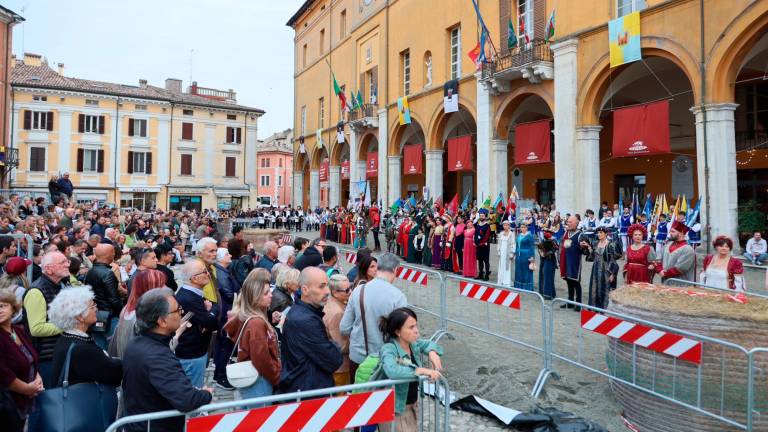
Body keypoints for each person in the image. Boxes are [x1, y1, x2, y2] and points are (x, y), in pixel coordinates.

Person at [122, 288, 213, 432]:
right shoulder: (157, 356)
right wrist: (206, 393)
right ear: (162, 321)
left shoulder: (137, 343)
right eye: (177, 310)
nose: (181, 313)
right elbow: (186, 400)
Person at [341, 253, 408, 381]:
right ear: (395, 270)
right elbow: (403, 335)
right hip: (384, 361)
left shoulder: (358, 290)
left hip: (358, 358)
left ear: (377, 268)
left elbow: (344, 327)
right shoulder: (398, 297)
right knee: (384, 400)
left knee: (358, 399)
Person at [378, 307, 443, 432]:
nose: (417, 331)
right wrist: (419, 370)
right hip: (395, 409)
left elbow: (429, 344)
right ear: (398, 332)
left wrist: (432, 352)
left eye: (416, 326)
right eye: (411, 327)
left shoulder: (412, 344)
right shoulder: (389, 349)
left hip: (410, 405)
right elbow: (392, 370)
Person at [279, 267, 342, 393]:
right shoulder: (306, 320)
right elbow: (333, 360)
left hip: (307, 387)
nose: (327, 291)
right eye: (321, 286)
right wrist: (334, 345)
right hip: (308, 392)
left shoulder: (304, 313)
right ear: (305, 290)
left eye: (327, 286)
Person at [49, 286, 122, 388]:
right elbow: (113, 373)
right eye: (92, 306)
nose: (96, 309)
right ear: (79, 316)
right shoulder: (82, 348)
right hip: (81, 401)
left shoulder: (66, 338)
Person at [223, 269, 281, 398]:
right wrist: (276, 376)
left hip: (255, 379)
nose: (271, 295)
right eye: (266, 293)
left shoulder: (250, 317)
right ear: (255, 297)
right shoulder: (256, 323)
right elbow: (261, 360)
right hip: (259, 380)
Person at [22, 251, 71, 387]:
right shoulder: (36, 292)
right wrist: (69, 325)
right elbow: (37, 329)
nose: (67, 265)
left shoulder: (61, 285)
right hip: (46, 359)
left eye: (67, 261)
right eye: (62, 263)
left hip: (59, 353)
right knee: (51, 399)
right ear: (49, 269)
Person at [0, 288, 43, 432]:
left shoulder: (17, 330)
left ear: (13, 307)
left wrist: (37, 378)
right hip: (6, 402)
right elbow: (3, 374)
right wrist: (27, 389)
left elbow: (31, 357)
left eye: (3, 306)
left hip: (22, 400)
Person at [175, 259, 220, 388]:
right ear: (194, 279)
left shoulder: (193, 293)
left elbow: (214, 306)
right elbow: (212, 323)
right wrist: (210, 313)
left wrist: (209, 312)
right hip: (192, 354)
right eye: (204, 272)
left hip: (197, 350)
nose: (208, 274)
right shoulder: (188, 298)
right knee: (194, 388)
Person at [109, 269, 167, 358]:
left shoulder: (129, 309)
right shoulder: (143, 316)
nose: (165, 288)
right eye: (161, 285)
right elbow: (153, 351)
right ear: (152, 289)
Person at [85, 243, 123, 349]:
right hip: (109, 317)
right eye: (113, 252)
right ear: (109, 255)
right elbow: (114, 299)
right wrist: (122, 312)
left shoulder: (90, 271)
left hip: (95, 314)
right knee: (112, 348)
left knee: (99, 346)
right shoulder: (108, 273)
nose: (114, 254)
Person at [212, 247, 240, 390]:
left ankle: (219, 367)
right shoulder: (221, 273)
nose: (230, 255)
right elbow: (229, 294)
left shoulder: (223, 270)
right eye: (227, 254)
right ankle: (221, 375)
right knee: (226, 344)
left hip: (226, 311)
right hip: (226, 312)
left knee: (223, 343)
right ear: (221, 258)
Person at [322, 274, 351, 386]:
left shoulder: (331, 303)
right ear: (334, 292)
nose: (350, 291)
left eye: (350, 287)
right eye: (347, 290)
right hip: (340, 367)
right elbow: (341, 345)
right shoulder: (337, 313)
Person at [584, 227, 622, 309]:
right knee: (595, 288)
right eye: (598, 233)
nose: (599, 234)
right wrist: (589, 249)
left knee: (605, 289)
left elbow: (613, 260)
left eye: (601, 232)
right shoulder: (596, 243)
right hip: (596, 269)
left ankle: (605, 309)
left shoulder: (610, 245)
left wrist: (613, 274)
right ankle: (595, 308)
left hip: (606, 270)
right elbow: (593, 256)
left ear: (606, 234)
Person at [561, 216, 587, 311]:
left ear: (576, 223)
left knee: (575, 282)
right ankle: (570, 301)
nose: (568, 223)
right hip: (565, 260)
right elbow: (562, 244)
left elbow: (585, 249)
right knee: (568, 281)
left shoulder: (580, 234)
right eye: (568, 222)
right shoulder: (566, 232)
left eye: (571, 222)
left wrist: (583, 247)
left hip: (574, 262)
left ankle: (578, 303)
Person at [514, 222, 535, 290]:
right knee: (519, 270)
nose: (522, 228)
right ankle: (518, 285)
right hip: (519, 255)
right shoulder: (519, 235)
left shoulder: (529, 236)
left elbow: (532, 247)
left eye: (524, 227)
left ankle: (527, 286)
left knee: (526, 271)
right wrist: (515, 253)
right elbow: (517, 245)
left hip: (526, 255)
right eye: (521, 227)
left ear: (527, 228)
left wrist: (532, 257)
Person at [537, 232, 558, 300]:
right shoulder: (543, 240)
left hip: (550, 260)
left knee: (548, 276)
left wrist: (548, 253)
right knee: (543, 275)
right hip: (543, 260)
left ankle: (549, 294)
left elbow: (555, 249)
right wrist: (541, 253)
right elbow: (540, 248)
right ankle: (543, 292)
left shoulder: (553, 241)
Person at [496, 220, 515, 286]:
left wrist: (512, 253)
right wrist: (498, 251)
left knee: (508, 266)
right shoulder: (501, 233)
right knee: (501, 266)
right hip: (502, 252)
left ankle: (507, 281)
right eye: (504, 225)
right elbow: (498, 243)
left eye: (507, 225)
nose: (505, 226)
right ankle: (501, 280)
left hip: (508, 252)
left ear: (509, 226)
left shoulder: (511, 234)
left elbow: (513, 244)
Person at [474, 209, 492, 281]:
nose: (481, 217)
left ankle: (487, 275)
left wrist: (481, 243)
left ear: (485, 216)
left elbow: (487, 236)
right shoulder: (478, 225)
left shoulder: (487, 226)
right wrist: (476, 242)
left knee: (486, 260)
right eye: (480, 216)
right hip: (478, 246)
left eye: (482, 216)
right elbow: (475, 234)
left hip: (484, 246)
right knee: (480, 260)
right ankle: (480, 274)